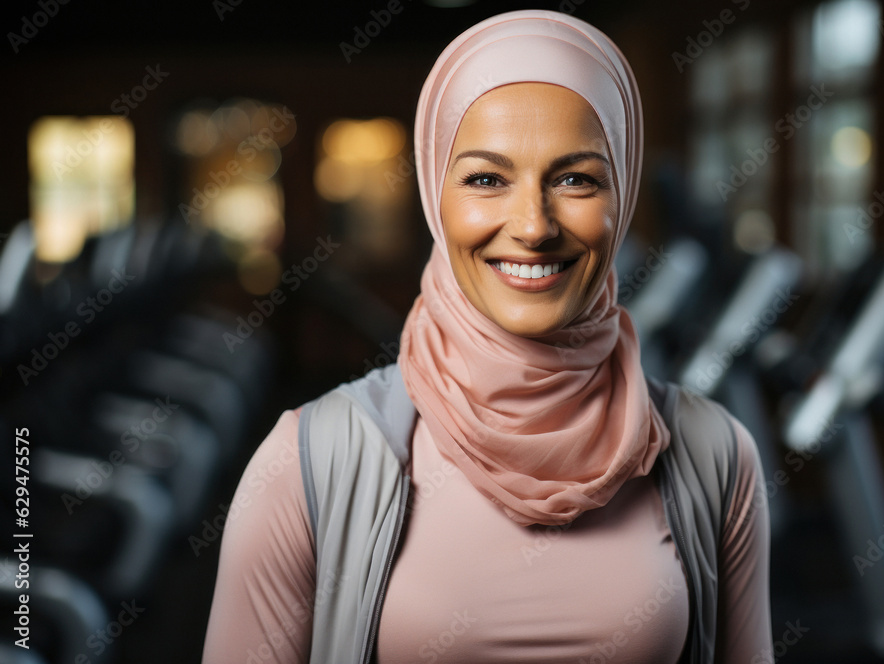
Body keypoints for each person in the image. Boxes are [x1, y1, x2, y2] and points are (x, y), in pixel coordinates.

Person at [202, 9, 772, 664]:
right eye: (486, 179)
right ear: (433, 194)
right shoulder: (305, 464)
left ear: (625, 193)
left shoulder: (715, 455)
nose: (533, 225)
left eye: (575, 179)